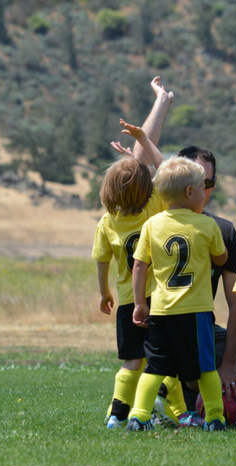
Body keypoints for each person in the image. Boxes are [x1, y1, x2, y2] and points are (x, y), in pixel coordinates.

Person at [91, 78, 172, 430]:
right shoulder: (153, 205)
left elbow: (101, 260)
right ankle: (152, 412)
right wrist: (145, 133)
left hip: (126, 301)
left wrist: (103, 292)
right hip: (158, 298)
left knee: (130, 361)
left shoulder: (107, 221)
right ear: (147, 189)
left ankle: (116, 415)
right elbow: (160, 166)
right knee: (163, 361)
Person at [127, 156, 229, 431]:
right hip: (196, 312)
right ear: (189, 192)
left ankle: (138, 416)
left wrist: (139, 303)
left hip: (161, 311)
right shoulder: (207, 225)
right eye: (202, 187)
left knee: (155, 367)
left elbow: (139, 265)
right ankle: (215, 417)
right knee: (205, 367)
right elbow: (221, 259)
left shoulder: (152, 225)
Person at [172, 146, 236, 427]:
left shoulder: (223, 231)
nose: (202, 189)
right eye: (195, 180)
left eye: (209, 182)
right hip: (163, 326)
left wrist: (229, 362)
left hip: (202, 327)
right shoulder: (157, 221)